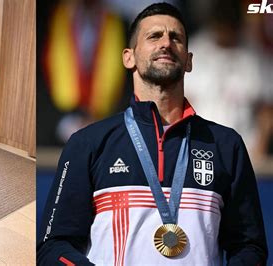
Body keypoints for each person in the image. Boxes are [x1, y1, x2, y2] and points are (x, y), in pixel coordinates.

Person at [37, 3, 268, 265]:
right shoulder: (88, 143)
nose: (166, 43)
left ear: (189, 60)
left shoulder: (226, 145)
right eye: (154, 36)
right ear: (128, 57)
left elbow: (250, 248)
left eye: (176, 37)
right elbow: (53, 247)